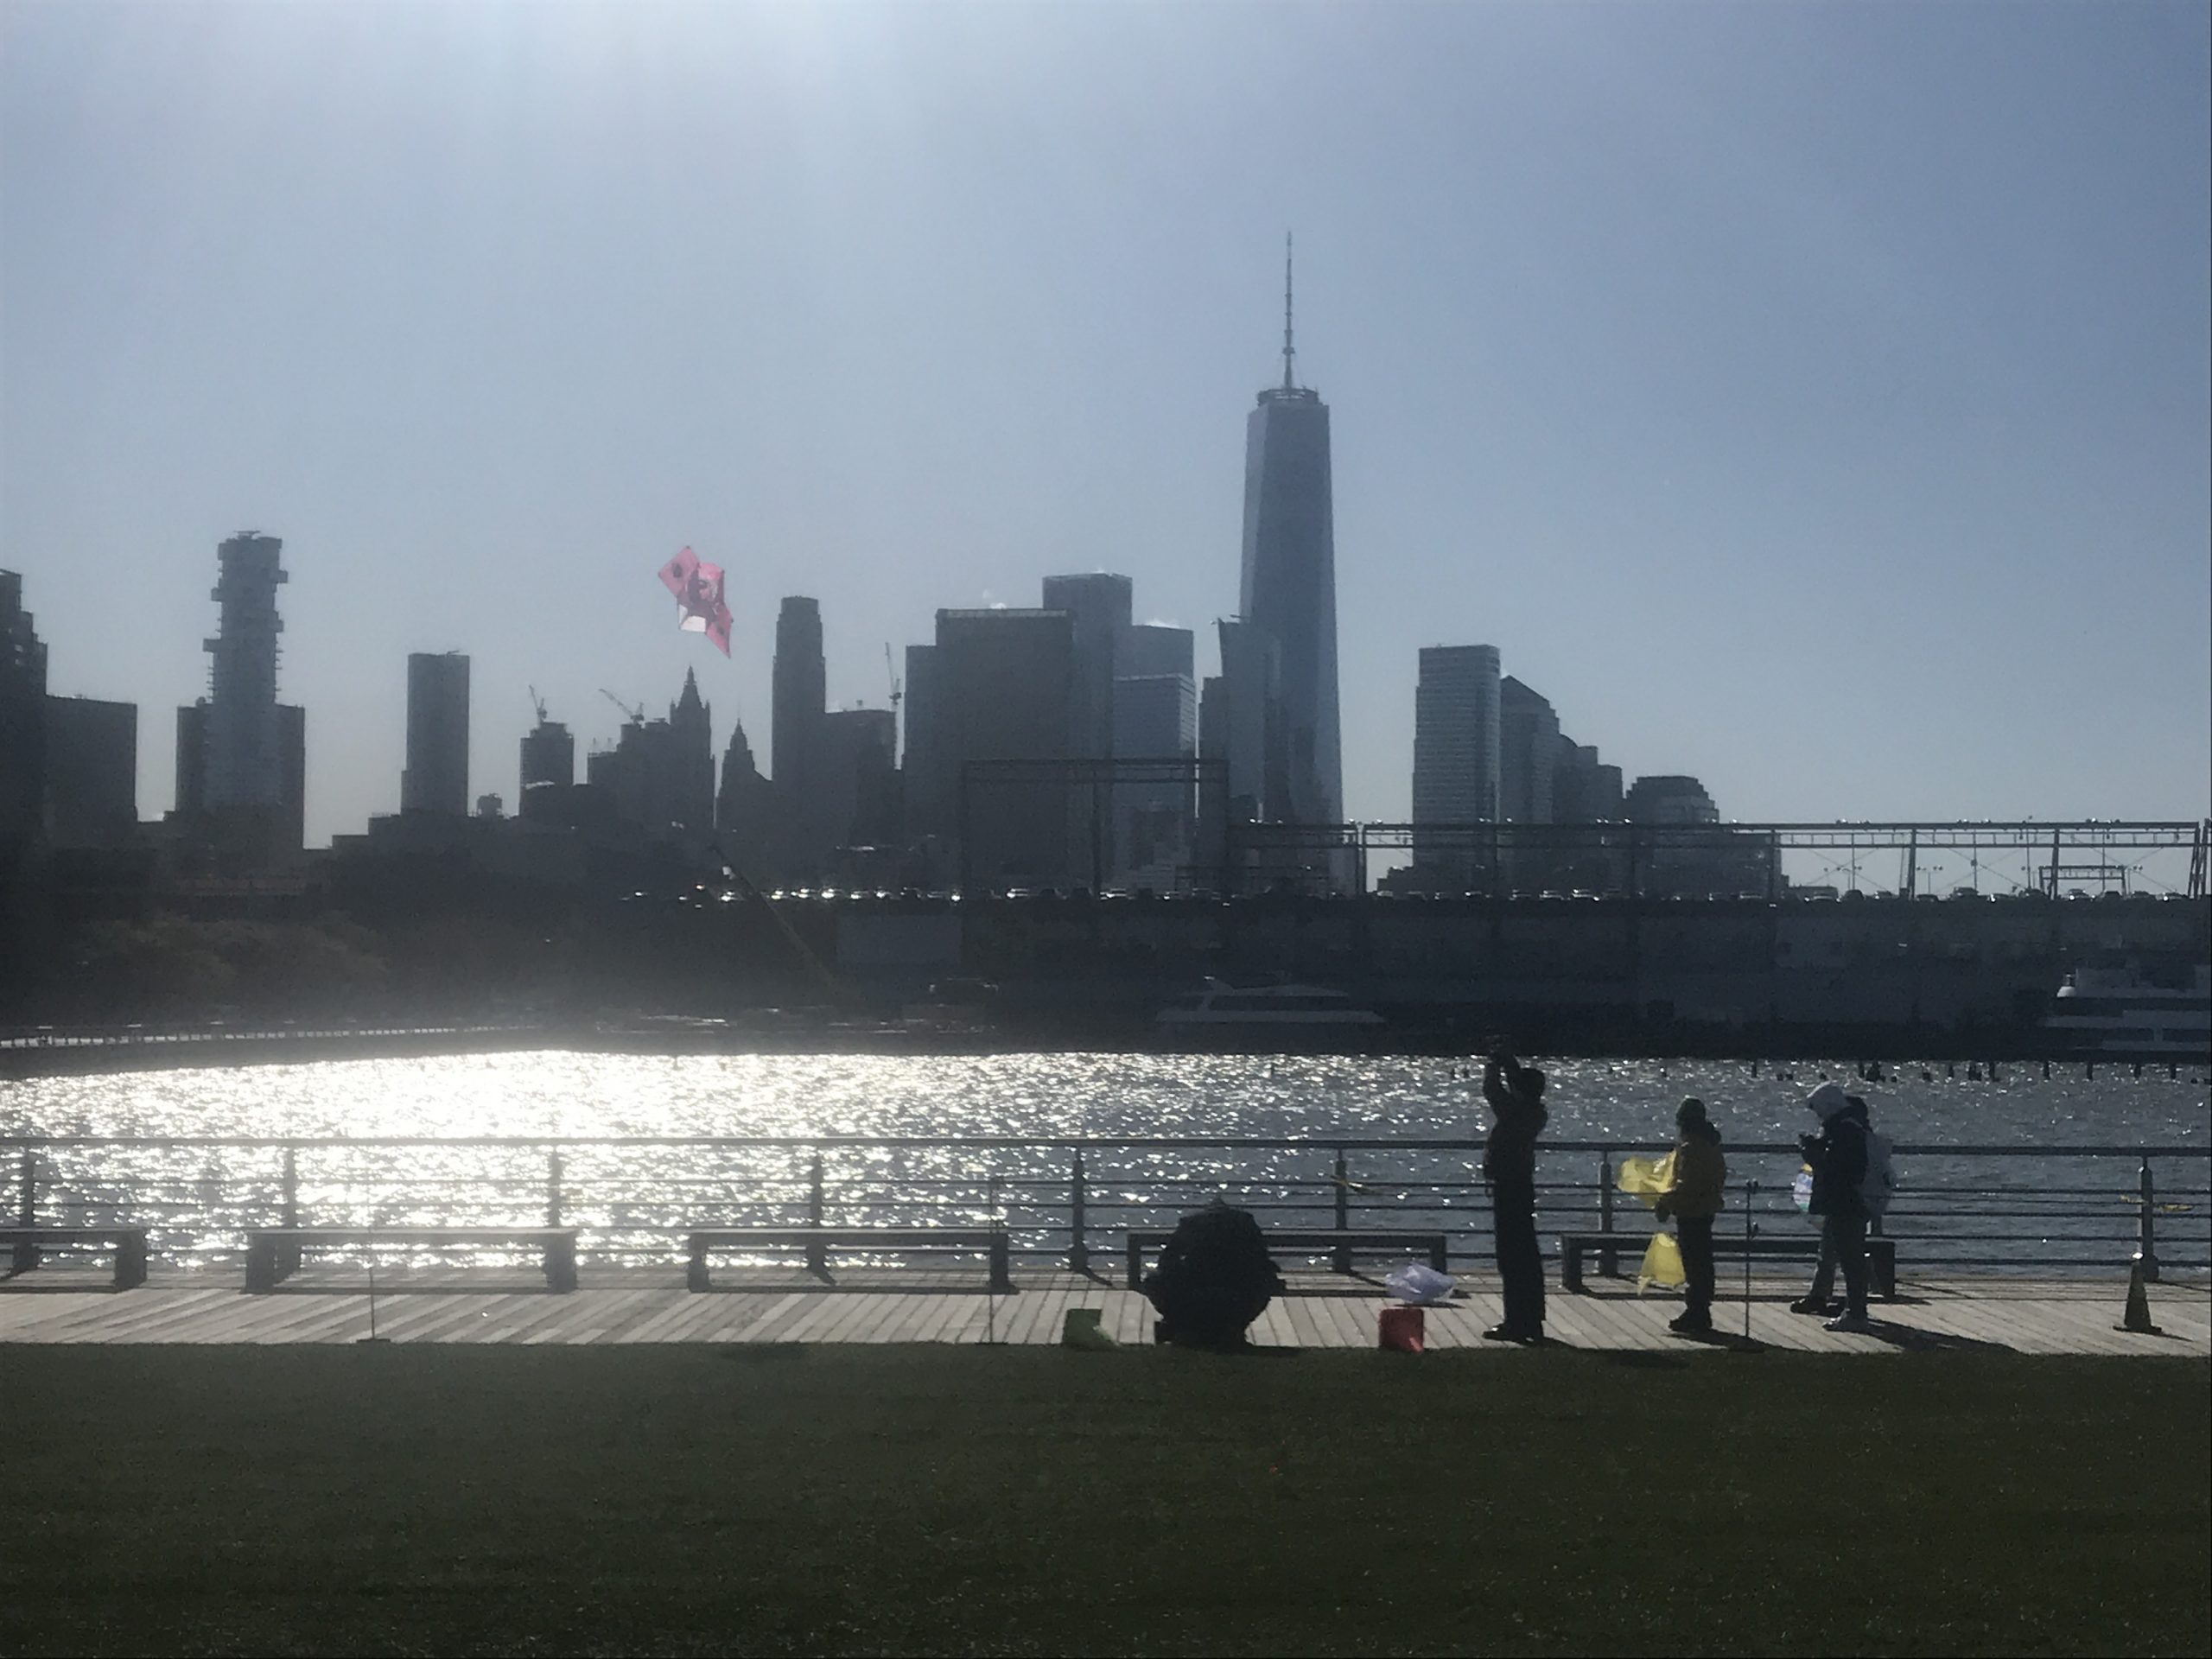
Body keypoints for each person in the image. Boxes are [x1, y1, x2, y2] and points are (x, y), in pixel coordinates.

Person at [1141, 1198, 1283, 1349]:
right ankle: (1233, 1329)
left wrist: (1180, 1270)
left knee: (1152, 1280)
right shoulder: (1245, 1223)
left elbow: (1167, 1259)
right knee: (1268, 1280)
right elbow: (1262, 1258)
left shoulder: (1191, 1224)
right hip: (1237, 1286)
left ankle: (1181, 1326)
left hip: (1194, 1285)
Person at [1479, 1044, 1548, 1343]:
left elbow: (1492, 1090)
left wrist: (1495, 1065)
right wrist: (1509, 1064)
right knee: (1527, 1256)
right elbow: (1513, 1089)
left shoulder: (1515, 1113)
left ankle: (1516, 1321)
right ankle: (1531, 1319)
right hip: (1521, 1186)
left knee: (1511, 1257)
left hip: (1509, 1188)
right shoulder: (1534, 1112)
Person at [1792, 1084, 1873, 1332]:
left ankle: (1856, 1313)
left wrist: (1815, 1157)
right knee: (1843, 1255)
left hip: (1846, 1203)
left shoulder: (1846, 1131)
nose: (1818, 1115)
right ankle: (1851, 1309)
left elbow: (1844, 1170)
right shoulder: (1846, 1128)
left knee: (1851, 1259)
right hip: (1845, 1202)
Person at [1652, 1097, 1726, 1335]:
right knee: (1702, 1262)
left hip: (1692, 1211)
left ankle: (1697, 1312)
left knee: (1694, 1263)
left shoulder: (1691, 1148)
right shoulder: (1711, 1145)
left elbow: (1687, 1185)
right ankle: (1700, 1310)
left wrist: (1666, 1203)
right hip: (1706, 1208)